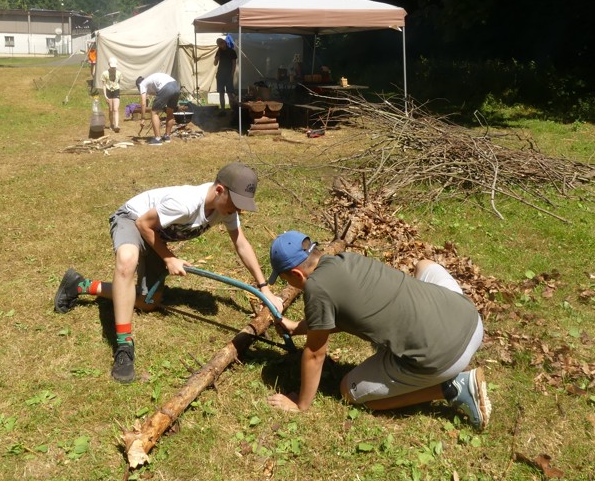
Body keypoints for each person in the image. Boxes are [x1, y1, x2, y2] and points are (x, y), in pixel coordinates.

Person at [54, 163, 284, 383]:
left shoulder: (225, 208)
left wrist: (265, 289)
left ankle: (80, 285)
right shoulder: (185, 203)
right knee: (127, 261)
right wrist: (169, 258)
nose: (238, 210)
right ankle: (124, 347)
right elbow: (143, 224)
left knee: (147, 302)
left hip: (155, 235)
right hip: (133, 219)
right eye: (236, 203)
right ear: (220, 190)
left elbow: (241, 244)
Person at [265, 231, 491, 430]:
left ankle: (449, 388)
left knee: (350, 392)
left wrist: (300, 404)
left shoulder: (316, 288)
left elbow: (315, 354)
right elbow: (340, 318)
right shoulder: (345, 260)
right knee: (424, 266)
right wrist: (297, 327)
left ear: (296, 274)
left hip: (444, 357)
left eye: (285, 279)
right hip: (469, 318)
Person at [136, 72, 180, 145]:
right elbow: (159, 93)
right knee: (170, 112)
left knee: (154, 112)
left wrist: (143, 118)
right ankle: (167, 136)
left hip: (166, 87)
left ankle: (157, 139)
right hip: (176, 86)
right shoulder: (150, 80)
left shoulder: (142, 84)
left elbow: (143, 103)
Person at [213, 36, 237, 111]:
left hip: (228, 75)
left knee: (230, 93)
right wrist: (217, 58)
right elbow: (215, 64)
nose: (221, 45)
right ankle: (222, 109)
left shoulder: (232, 51)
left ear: (225, 42)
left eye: (222, 43)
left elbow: (234, 63)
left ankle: (233, 109)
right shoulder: (219, 51)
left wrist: (232, 74)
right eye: (219, 44)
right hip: (220, 75)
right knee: (221, 93)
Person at [100, 57, 122, 132]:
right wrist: (105, 95)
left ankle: (116, 125)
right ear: (109, 65)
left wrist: (117, 88)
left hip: (116, 91)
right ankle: (111, 124)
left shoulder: (119, 73)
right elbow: (103, 85)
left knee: (115, 109)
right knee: (111, 109)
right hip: (108, 91)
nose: (113, 68)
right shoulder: (104, 73)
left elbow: (119, 83)